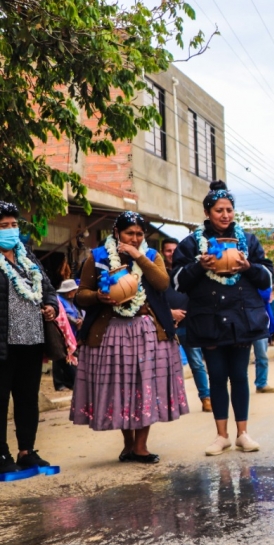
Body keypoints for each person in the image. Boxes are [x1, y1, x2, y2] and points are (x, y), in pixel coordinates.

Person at [70, 211, 187, 463]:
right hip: (113, 331)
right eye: (129, 233)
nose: (134, 238)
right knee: (122, 388)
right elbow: (81, 294)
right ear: (116, 233)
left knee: (146, 387)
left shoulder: (152, 255)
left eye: (139, 234)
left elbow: (162, 283)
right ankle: (128, 444)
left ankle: (142, 446)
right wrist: (98, 297)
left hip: (147, 331)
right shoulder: (98, 257)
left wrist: (139, 257)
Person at [173, 181, 274, 456]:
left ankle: (243, 433)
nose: (225, 215)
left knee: (239, 376)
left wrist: (248, 266)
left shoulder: (249, 241)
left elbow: (267, 277)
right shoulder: (192, 243)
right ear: (208, 212)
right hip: (209, 319)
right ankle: (221, 436)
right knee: (217, 376)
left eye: (229, 209)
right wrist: (199, 266)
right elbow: (177, 283)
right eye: (219, 210)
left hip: (242, 318)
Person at [0, 202, 59, 473]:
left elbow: (48, 288)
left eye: (13, 225)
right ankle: (2, 455)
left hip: (32, 341)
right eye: (4, 226)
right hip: (4, 343)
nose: (11, 230)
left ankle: (27, 451)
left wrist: (50, 306)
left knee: (27, 398)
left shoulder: (27, 257)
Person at [161, 237, 211, 412]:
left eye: (175, 250)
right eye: (168, 250)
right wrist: (169, 314)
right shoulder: (158, 274)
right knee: (169, 367)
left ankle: (206, 398)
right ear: (163, 253)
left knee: (196, 363)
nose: (172, 253)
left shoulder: (188, 271)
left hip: (189, 324)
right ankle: (173, 403)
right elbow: (152, 299)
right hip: (166, 325)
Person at [52, 279, 81, 391]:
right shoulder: (59, 300)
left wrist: (79, 320)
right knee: (59, 357)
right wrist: (75, 321)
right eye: (74, 290)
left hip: (72, 332)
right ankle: (59, 383)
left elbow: (76, 312)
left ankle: (69, 382)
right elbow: (63, 315)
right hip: (61, 332)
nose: (75, 293)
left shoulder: (70, 300)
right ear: (69, 291)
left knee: (70, 357)